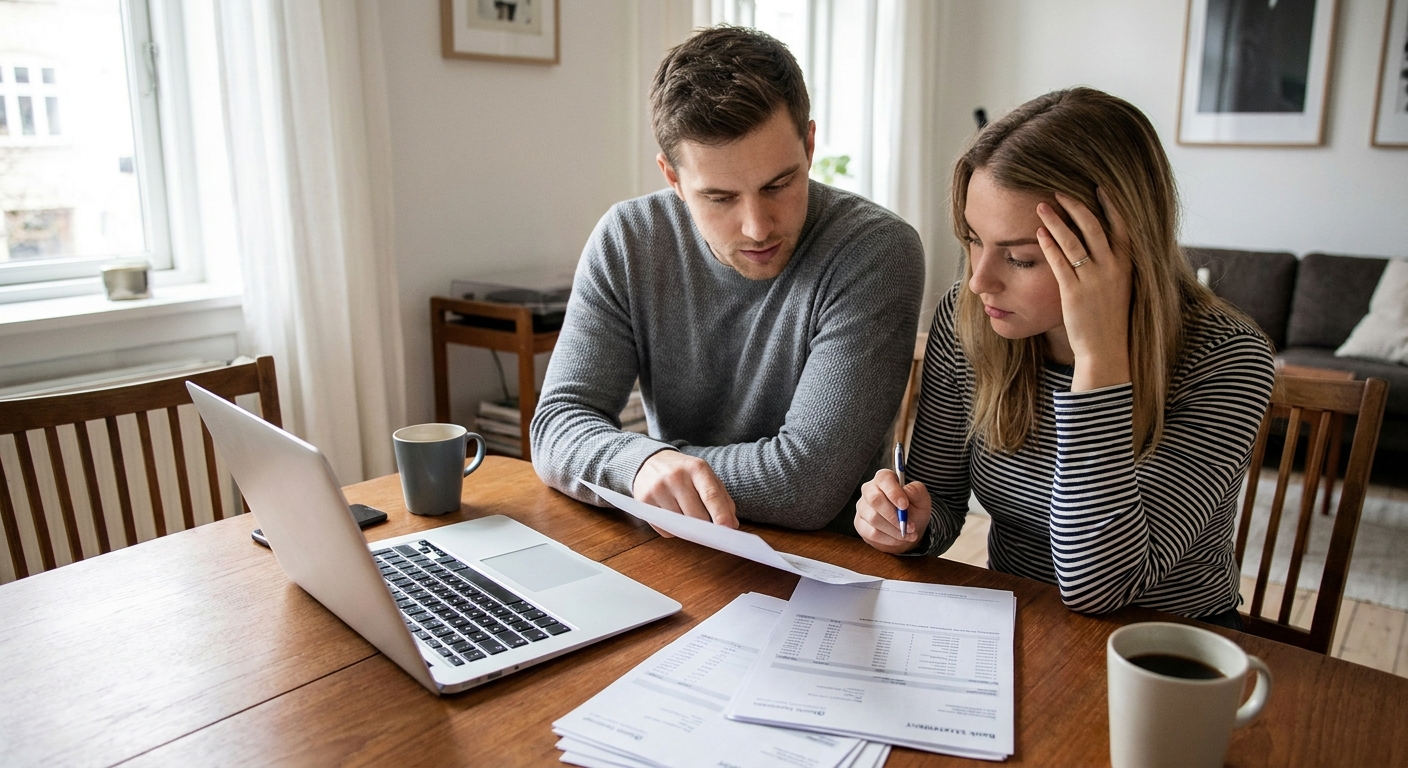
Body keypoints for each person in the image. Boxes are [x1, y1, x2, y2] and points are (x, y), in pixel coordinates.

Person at [855, 88, 1275, 626]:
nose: (980, 281)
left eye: (1022, 259)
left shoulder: (1227, 357)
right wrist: (903, 524)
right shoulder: (967, 321)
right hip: (1019, 629)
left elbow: (1100, 585)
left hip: (1166, 650)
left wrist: (1098, 356)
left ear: (1121, 250)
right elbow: (936, 507)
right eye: (974, 239)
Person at [531, 26, 925, 531]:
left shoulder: (875, 250)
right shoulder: (629, 240)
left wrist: (648, 466)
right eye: (719, 198)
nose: (758, 227)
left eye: (779, 184)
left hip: (823, 568)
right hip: (679, 546)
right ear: (672, 178)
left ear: (808, 144)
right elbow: (557, 425)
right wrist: (642, 465)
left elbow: (805, 486)